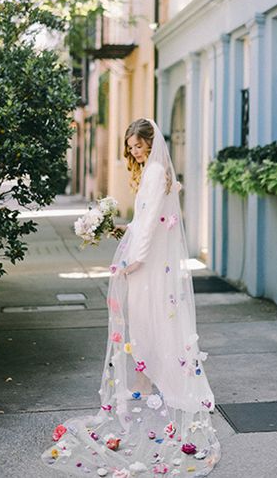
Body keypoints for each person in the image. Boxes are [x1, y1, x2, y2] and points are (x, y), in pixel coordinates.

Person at [41, 118, 221, 477]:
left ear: (152, 143)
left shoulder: (154, 172)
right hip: (150, 256)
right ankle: (148, 375)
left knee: (143, 315)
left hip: (148, 262)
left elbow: (153, 218)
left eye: (139, 146)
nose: (134, 153)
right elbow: (147, 218)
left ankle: (149, 377)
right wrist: (125, 228)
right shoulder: (156, 172)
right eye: (131, 148)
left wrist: (133, 259)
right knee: (147, 315)